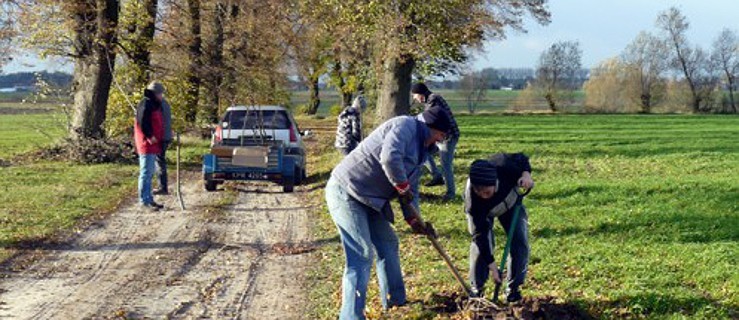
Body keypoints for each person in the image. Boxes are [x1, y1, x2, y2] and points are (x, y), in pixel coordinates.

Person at [325, 106, 451, 320]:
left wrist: (414, 219)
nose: (439, 141)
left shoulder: (421, 152)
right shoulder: (405, 125)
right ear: (432, 129)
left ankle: (396, 303)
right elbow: (389, 158)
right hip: (346, 190)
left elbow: (410, 193)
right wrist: (402, 186)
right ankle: (350, 316)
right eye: (440, 135)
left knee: (388, 243)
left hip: (372, 200)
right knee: (362, 254)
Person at [464, 153, 535, 302]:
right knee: (480, 247)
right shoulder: (473, 201)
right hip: (484, 213)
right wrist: (492, 266)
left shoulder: (504, 166)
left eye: (487, 192)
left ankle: (513, 289)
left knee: (520, 242)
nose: (483, 196)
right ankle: (477, 289)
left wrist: (526, 175)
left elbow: (522, 159)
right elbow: (480, 235)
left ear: (495, 182)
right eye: (479, 192)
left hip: (511, 203)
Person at [411, 82, 460, 202]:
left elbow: (427, 118)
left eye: (415, 95)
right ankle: (437, 176)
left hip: (448, 136)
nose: (414, 98)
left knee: (446, 165)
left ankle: (451, 194)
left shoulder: (434, 99)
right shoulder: (430, 99)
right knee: (425, 153)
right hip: (439, 135)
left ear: (421, 94)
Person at [134, 83, 166, 211]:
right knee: (146, 172)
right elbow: (143, 122)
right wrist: (149, 136)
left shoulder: (153, 104)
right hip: (146, 143)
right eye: (160, 93)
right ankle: (144, 201)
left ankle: (149, 199)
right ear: (155, 93)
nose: (161, 96)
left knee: (150, 172)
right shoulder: (145, 104)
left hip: (153, 144)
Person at [152, 82, 172, 195]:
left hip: (161, 137)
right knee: (160, 161)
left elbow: (157, 121)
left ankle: (163, 187)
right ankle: (162, 186)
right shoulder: (165, 104)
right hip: (165, 136)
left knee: (159, 162)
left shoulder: (158, 104)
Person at [334, 92, 367, 156]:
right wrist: (362, 141)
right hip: (347, 144)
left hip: (340, 142)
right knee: (351, 161)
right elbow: (356, 132)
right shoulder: (353, 115)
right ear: (359, 108)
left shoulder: (346, 112)